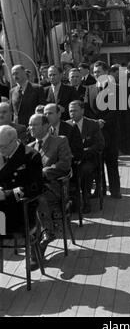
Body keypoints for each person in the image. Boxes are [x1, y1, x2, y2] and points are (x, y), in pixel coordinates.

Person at [28, 113, 72, 257]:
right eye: (29, 125)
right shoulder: (28, 147)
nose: (31, 128)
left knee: (36, 197)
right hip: (34, 192)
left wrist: (44, 171)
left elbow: (65, 164)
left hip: (54, 189)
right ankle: (46, 233)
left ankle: (36, 254)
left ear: (46, 126)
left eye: (34, 124)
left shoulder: (60, 141)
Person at [84, 61, 122, 199]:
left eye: (99, 72)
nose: (96, 74)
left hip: (111, 131)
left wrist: (103, 122)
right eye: (94, 72)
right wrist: (95, 123)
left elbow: (116, 110)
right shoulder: (90, 89)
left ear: (106, 72)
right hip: (95, 132)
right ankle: (100, 190)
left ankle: (115, 190)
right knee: (97, 163)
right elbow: (87, 109)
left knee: (111, 161)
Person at [0, 125, 43, 234]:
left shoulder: (30, 156)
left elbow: (35, 187)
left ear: (14, 141)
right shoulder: (1, 154)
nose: (0, 150)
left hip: (20, 210)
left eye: (2, 146)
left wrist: (7, 195)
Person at [68, 101, 105, 213]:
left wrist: (84, 152)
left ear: (82, 111)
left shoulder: (92, 124)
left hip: (89, 159)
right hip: (72, 159)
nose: (72, 113)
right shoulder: (67, 125)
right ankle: (72, 201)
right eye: (70, 111)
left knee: (84, 171)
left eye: (75, 110)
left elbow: (100, 144)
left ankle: (86, 201)